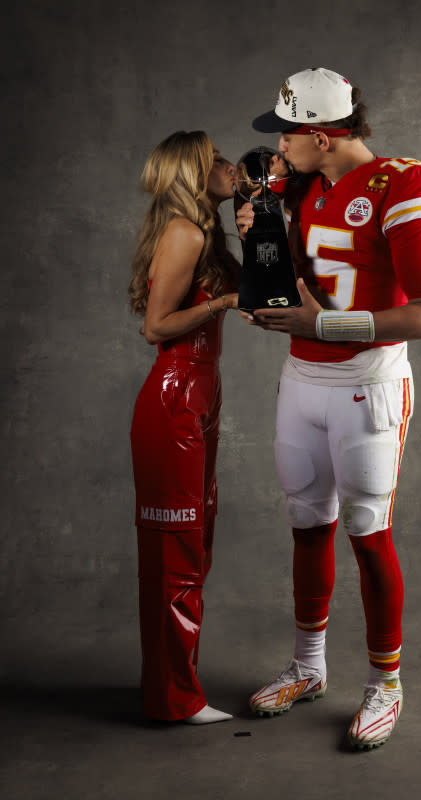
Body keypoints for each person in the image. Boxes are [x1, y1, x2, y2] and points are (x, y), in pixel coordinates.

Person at [236, 68, 421, 749]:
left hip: (367, 382)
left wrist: (322, 326)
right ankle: (308, 667)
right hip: (302, 380)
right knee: (306, 524)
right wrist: (260, 224)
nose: (280, 148)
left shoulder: (405, 185)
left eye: (290, 135)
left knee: (367, 532)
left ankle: (385, 682)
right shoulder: (301, 182)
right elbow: (289, 259)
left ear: (324, 137)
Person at [129, 130, 240, 724]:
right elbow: (156, 327)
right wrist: (222, 305)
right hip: (174, 400)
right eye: (214, 159)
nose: (227, 165)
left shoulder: (208, 232)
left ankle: (174, 686)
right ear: (193, 174)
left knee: (195, 549)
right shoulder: (185, 231)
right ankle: (173, 699)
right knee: (176, 552)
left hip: (199, 398)